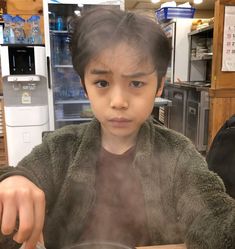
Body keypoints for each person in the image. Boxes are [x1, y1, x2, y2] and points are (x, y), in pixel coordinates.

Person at [0, 7, 235, 249]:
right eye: (102, 82)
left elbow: (213, 216)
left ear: (159, 86)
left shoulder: (178, 154)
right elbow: (20, 183)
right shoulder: (59, 148)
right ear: (84, 85)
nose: (118, 102)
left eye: (136, 82)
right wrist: (13, 180)